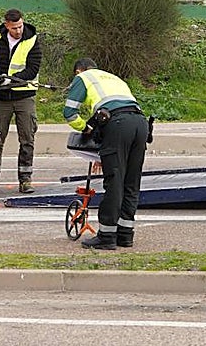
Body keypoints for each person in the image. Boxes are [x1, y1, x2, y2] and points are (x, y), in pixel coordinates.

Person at [63, 58, 148, 250]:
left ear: (78, 71)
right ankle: (125, 235)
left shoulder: (83, 77)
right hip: (140, 123)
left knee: (114, 181)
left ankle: (107, 236)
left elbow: (69, 112)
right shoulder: (113, 78)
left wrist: (86, 129)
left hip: (118, 124)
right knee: (131, 181)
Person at [0, 8, 42, 193]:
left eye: (20, 26)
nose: (18, 30)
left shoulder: (32, 39)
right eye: (14, 28)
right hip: (2, 97)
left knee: (27, 139)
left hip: (24, 95)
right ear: (6, 25)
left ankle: (25, 179)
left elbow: (32, 68)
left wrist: (12, 79)